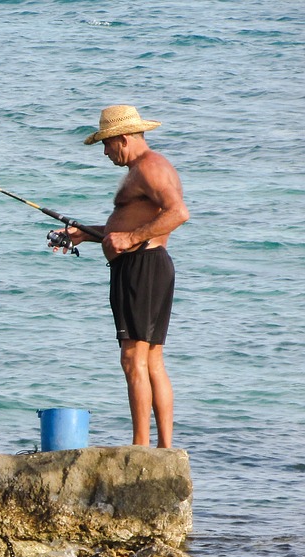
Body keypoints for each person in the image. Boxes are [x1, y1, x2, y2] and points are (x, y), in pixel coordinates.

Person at [64, 105, 189, 448]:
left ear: (122, 138)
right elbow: (128, 225)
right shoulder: (145, 168)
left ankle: (141, 446)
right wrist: (89, 234)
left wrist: (131, 239)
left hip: (142, 267)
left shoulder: (150, 167)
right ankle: (162, 447)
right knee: (150, 359)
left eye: (106, 144)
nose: (105, 152)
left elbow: (178, 213)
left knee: (134, 356)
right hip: (147, 265)